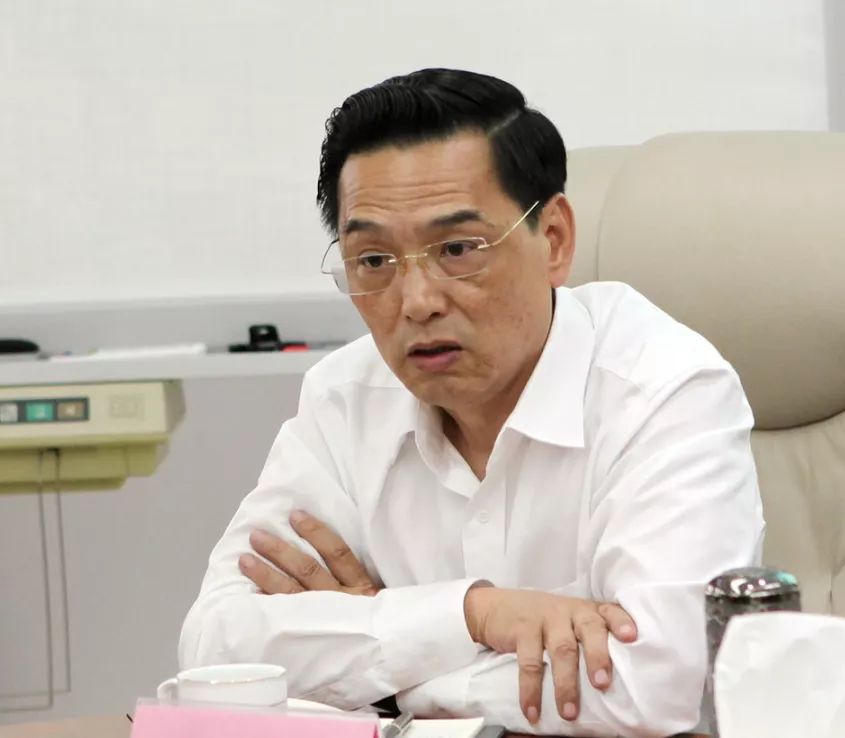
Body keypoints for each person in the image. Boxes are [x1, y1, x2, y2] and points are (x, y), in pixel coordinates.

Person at [179, 68, 764, 737]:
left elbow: (658, 686)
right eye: (373, 261)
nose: (417, 302)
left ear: (554, 240)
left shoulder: (663, 388)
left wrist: (387, 672)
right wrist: (472, 616)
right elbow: (216, 653)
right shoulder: (346, 397)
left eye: (458, 249)